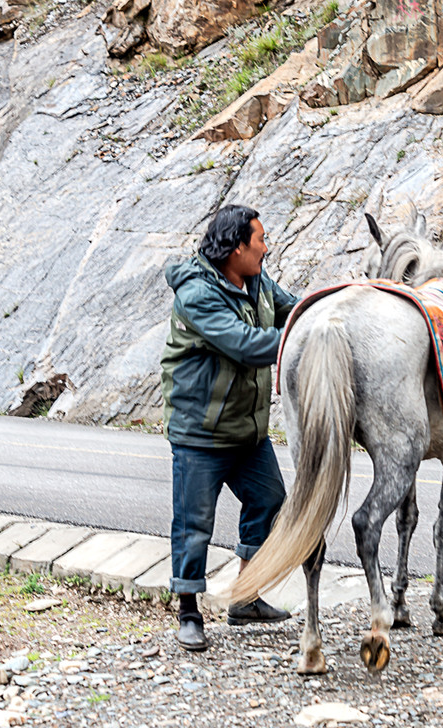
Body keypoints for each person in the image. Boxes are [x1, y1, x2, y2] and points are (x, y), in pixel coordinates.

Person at [159, 204, 299, 651]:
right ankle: (188, 612)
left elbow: (293, 310)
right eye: (259, 239)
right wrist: (306, 334)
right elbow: (246, 345)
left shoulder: (256, 281)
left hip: (247, 431)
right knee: (194, 523)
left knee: (269, 498)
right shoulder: (198, 294)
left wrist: (329, 311)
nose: (265, 247)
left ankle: (245, 597)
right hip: (200, 432)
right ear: (237, 247)